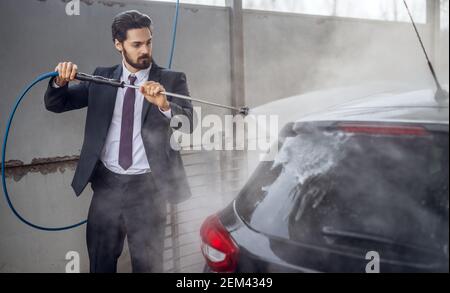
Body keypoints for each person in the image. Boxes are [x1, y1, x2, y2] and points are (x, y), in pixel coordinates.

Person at [44, 10, 193, 273]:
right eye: (136, 44)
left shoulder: (171, 79)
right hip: (107, 188)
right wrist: (59, 81)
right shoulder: (102, 78)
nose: (144, 50)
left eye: (148, 42)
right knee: (100, 264)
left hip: (148, 191)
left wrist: (164, 105)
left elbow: (189, 125)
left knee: (149, 267)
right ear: (118, 44)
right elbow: (57, 103)